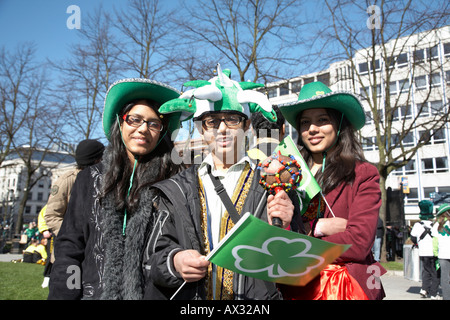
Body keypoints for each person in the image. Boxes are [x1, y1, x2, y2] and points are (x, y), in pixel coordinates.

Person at [143, 65, 301, 300]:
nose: (223, 129)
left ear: (247, 126)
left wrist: (287, 227)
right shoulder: (176, 189)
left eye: (233, 119)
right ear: (200, 128)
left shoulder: (273, 185)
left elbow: (294, 266)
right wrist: (175, 261)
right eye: (212, 121)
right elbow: (152, 259)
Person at [48, 78, 183, 300]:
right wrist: (65, 294)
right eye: (135, 119)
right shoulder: (89, 179)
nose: (143, 129)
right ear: (120, 123)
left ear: (162, 131)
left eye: (153, 123)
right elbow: (70, 247)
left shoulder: (173, 182)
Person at [277, 81, 385, 300]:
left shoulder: (363, 173)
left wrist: (299, 247)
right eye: (305, 122)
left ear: (339, 124)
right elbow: (278, 236)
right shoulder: (285, 172)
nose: (312, 129)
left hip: (344, 289)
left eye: (323, 120)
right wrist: (317, 227)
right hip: (293, 290)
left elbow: (359, 242)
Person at [410, 200, 440, 299]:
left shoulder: (417, 225)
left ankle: (424, 289)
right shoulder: (435, 225)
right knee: (435, 273)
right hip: (434, 252)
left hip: (422, 252)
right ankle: (433, 293)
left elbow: (413, 238)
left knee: (426, 270)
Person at [432, 203, 450, 300]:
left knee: (445, 278)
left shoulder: (437, 226)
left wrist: (435, 254)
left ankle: (447, 297)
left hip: (443, 254)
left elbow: (435, 241)